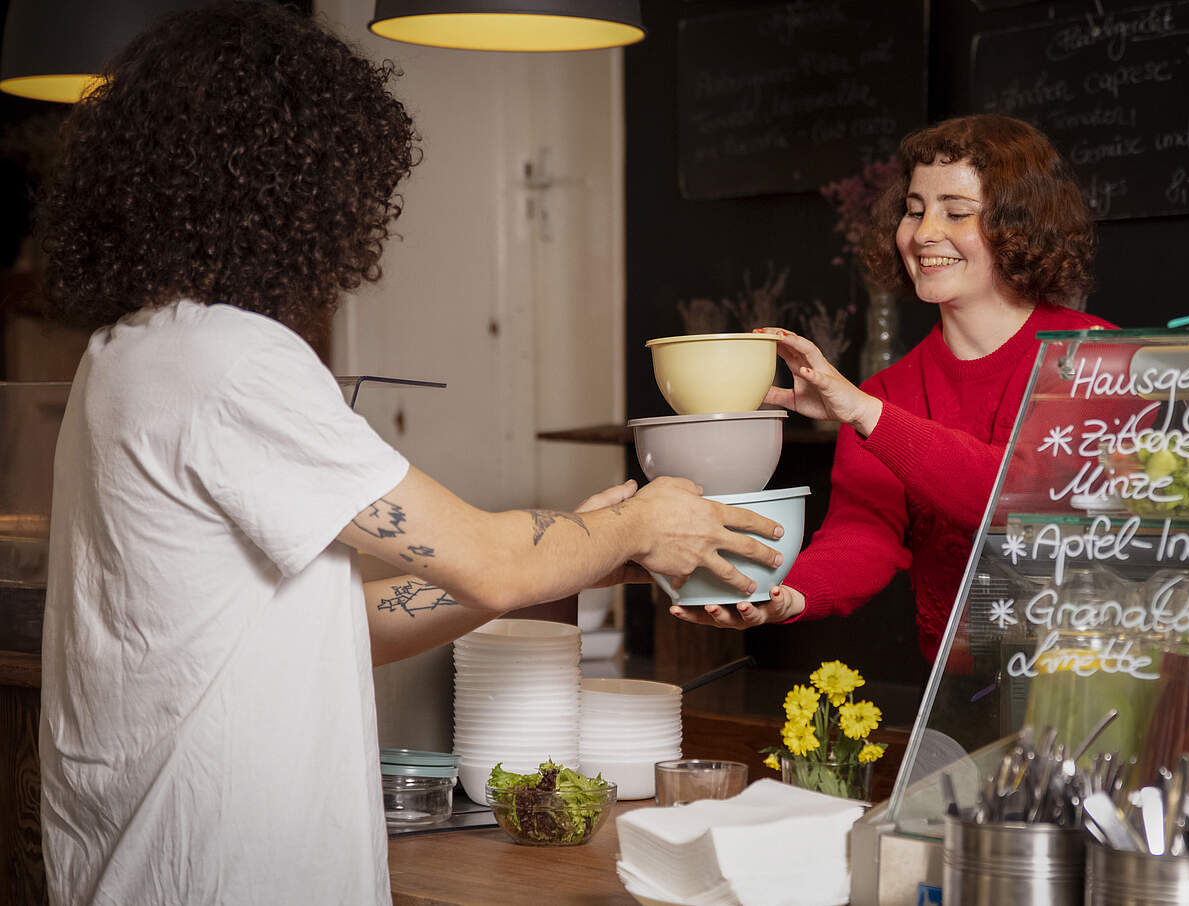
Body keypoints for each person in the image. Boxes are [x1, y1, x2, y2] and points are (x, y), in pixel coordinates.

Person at [35, 4, 785, 904]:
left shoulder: (129, 354)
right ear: (295, 183)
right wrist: (637, 522)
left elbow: (342, 623)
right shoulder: (232, 360)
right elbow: (492, 562)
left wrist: (594, 548)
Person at [671, 114, 1118, 661]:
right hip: (957, 690)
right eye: (914, 209)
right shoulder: (887, 391)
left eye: (956, 212)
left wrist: (867, 414)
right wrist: (786, 596)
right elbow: (862, 536)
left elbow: (1026, 501)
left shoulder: (1093, 358)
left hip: (1103, 677)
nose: (924, 232)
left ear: (1020, 227)